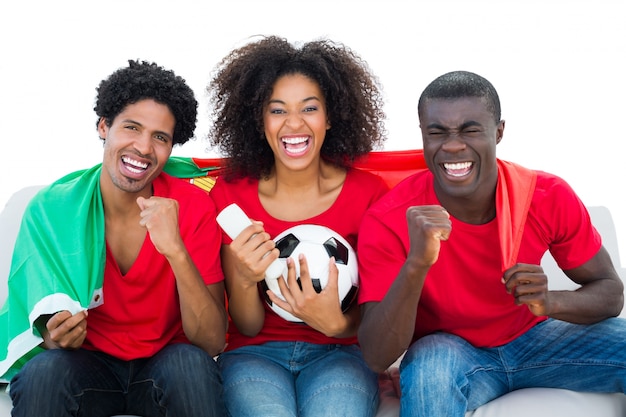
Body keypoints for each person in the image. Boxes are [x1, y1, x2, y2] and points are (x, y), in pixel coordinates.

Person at [356, 70, 626, 416]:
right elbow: (377, 355)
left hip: (535, 339)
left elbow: (611, 293)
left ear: (498, 131)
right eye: (437, 132)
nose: (453, 145)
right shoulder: (389, 217)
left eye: (470, 130)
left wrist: (551, 301)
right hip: (450, 351)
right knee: (429, 372)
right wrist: (416, 264)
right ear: (423, 135)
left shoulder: (544, 196)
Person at [2, 60, 227, 416]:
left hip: (166, 363)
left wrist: (176, 252)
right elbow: (41, 321)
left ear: (171, 147)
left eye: (160, 137)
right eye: (131, 128)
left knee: (190, 366)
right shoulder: (53, 208)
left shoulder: (192, 206)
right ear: (104, 126)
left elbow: (211, 341)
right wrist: (55, 334)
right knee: (43, 373)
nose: (143, 147)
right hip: (87, 362)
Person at [207, 36, 388, 417]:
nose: (294, 124)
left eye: (310, 108)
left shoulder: (368, 194)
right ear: (258, 119)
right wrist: (243, 277)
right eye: (277, 110)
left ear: (331, 115)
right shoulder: (229, 194)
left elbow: (375, 315)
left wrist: (336, 324)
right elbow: (248, 325)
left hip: (340, 354)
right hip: (253, 354)